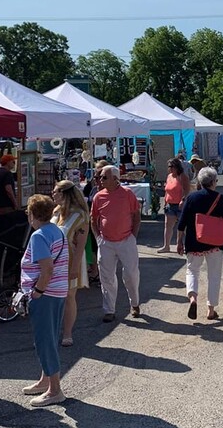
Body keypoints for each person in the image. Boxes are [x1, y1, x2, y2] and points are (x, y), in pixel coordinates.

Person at [20, 193, 69, 406]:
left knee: (44, 340)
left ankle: (54, 390)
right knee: (50, 336)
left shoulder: (38, 236)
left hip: (45, 293)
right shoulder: (57, 231)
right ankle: (45, 380)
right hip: (58, 291)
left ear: (32, 214)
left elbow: (46, 268)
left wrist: (38, 290)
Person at [177, 166, 223, 320]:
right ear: (213, 182)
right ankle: (210, 309)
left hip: (195, 242)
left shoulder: (191, 198)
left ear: (200, 181)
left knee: (192, 270)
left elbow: (182, 222)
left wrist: (179, 240)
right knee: (214, 275)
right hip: (215, 243)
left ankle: (193, 298)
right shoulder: (220, 198)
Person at [90, 165, 141, 322]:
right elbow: (93, 219)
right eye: (99, 177)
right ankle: (109, 310)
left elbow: (136, 214)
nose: (100, 180)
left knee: (131, 275)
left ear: (115, 179)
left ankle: (135, 303)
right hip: (106, 242)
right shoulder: (99, 196)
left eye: (104, 177)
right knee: (106, 277)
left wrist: (133, 235)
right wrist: (98, 237)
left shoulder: (127, 194)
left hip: (126, 240)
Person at [52, 180, 89, 347]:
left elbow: (81, 244)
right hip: (51, 261)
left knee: (68, 296)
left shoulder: (80, 215)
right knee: (51, 298)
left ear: (64, 194)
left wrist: (75, 267)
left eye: (56, 192)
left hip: (70, 260)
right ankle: (51, 332)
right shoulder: (56, 212)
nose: (53, 195)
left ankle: (67, 333)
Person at [160, 158, 191, 253]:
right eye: (168, 167)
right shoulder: (169, 176)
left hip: (180, 206)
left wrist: (183, 200)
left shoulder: (182, 177)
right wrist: (165, 201)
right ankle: (166, 246)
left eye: (171, 167)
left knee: (184, 227)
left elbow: (187, 190)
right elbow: (167, 190)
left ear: (177, 167)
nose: (169, 169)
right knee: (168, 226)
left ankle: (188, 245)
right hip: (170, 205)